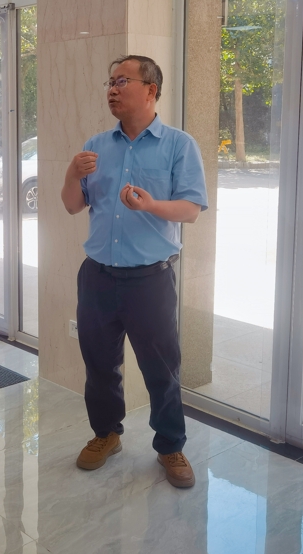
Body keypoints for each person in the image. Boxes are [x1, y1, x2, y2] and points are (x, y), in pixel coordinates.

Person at [61, 54, 208, 489]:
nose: (112, 89)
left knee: (162, 369)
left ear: (151, 90)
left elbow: (191, 209)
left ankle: (170, 446)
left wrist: (151, 205)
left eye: (122, 81)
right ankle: (106, 434)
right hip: (97, 277)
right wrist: (71, 173)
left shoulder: (179, 145)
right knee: (99, 365)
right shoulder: (96, 145)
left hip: (150, 280)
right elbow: (72, 205)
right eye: (110, 81)